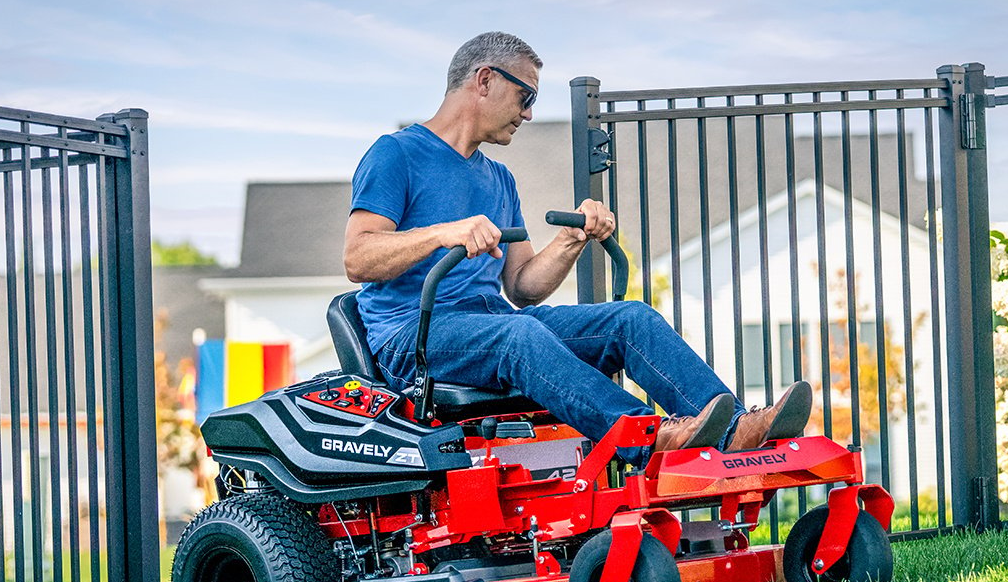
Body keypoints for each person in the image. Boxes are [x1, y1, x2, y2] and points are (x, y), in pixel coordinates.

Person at [343, 31, 811, 455]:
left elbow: (523, 287)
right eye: (524, 95)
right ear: (483, 80)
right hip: (415, 338)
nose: (528, 112)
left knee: (631, 319)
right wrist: (443, 234)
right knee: (520, 334)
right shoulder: (397, 153)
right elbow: (358, 257)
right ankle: (646, 438)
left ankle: (735, 432)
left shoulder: (499, 179)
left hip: (493, 325)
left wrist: (570, 239)